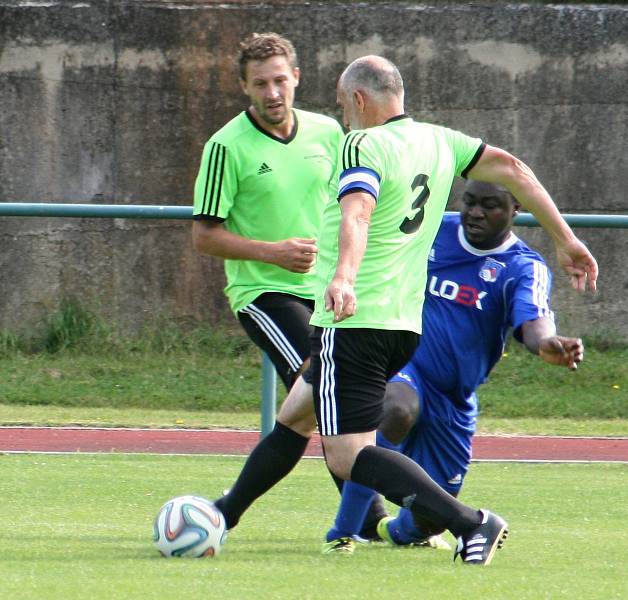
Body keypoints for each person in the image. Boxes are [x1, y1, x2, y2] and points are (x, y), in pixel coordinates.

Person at [306, 55, 598, 567]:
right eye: (472, 202)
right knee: (367, 422)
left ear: (357, 100)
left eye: (341, 106)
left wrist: (344, 277)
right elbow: (514, 167)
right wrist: (568, 239)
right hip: (403, 339)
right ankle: (344, 528)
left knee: (356, 463)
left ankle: (464, 522)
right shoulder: (440, 141)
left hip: (369, 323)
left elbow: (358, 212)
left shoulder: (364, 143)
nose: (343, 117)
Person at [322, 180, 584, 552]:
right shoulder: (431, 230)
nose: (475, 212)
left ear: (516, 211)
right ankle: (343, 533)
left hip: (454, 398)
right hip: (406, 364)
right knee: (395, 408)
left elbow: (534, 323)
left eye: (490, 205)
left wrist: (546, 344)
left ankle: (387, 530)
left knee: (426, 523)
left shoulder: (523, 267)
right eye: (470, 202)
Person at [191, 33, 348, 530]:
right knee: (326, 391)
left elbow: (353, 208)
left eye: (281, 80)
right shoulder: (225, 146)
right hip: (263, 292)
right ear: (244, 87)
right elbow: (204, 235)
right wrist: (273, 254)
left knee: (321, 404)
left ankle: (225, 513)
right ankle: (371, 513)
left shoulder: (328, 133)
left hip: (327, 293)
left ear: (297, 77)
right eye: (260, 83)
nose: (273, 92)